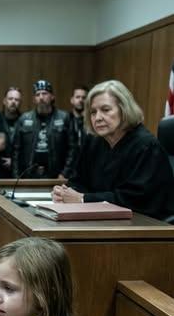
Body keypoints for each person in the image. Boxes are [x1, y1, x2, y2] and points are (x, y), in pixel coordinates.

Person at [53, 79, 174, 220]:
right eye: (93, 112)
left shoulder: (146, 146)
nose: (98, 118)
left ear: (124, 110)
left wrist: (83, 198)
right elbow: (78, 180)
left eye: (105, 110)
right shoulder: (93, 142)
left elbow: (136, 199)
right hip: (101, 220)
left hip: (145, 223)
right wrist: (65, 193)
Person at [12, 79, 76, 180]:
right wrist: (16, 177)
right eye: (37, 94)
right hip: (28, 175)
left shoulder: (64, 118)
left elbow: (72, 148)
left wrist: (65, 173)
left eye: (44, 93)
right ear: (34, 99)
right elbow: (16, 151)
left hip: (57, 175)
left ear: (52, 96)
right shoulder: (24, 119)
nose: (41, 97)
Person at [0, 87, 23, 177]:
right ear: (4, 101)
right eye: (10, 99)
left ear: (20, 103)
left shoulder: (25, 120)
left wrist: (14, 161)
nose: (13, 102)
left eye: (16, 99)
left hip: (19, 169)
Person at [68, 85, 89, 171]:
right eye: (77, 97)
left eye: (84, 97)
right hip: (69, 168)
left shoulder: (93, 121)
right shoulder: (66, 120)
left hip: (87, 165)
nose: (81, 100)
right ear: (72, 100)